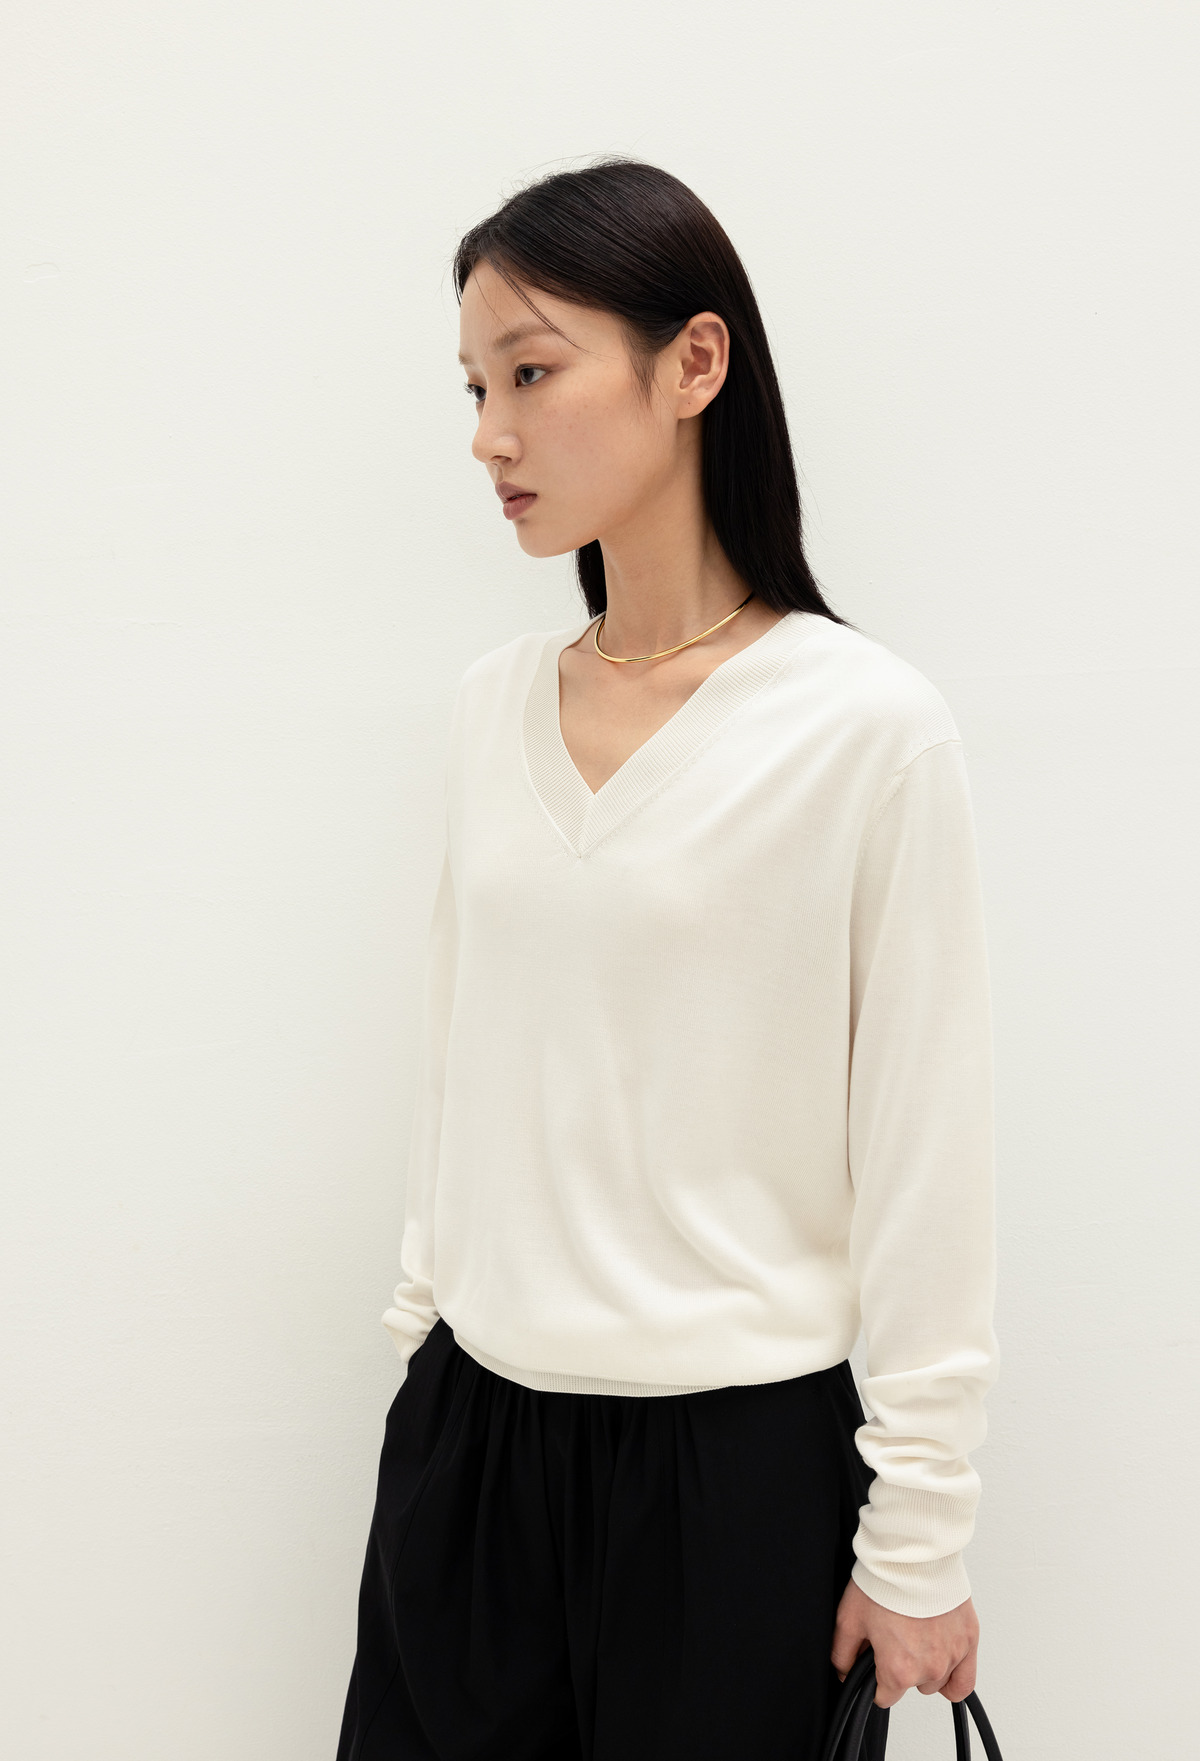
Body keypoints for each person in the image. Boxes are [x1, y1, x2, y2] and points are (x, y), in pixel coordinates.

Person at [336, 157, 998, 1761]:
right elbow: (463, 1055)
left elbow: (927, 1151)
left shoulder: (867, 730)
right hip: (474, 1447)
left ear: (694, 363)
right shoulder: (490, 710)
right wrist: (425, 1344)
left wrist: (918, 1535)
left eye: (531, 373)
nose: (489, 435)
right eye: (476, 387)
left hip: (735, 1483)